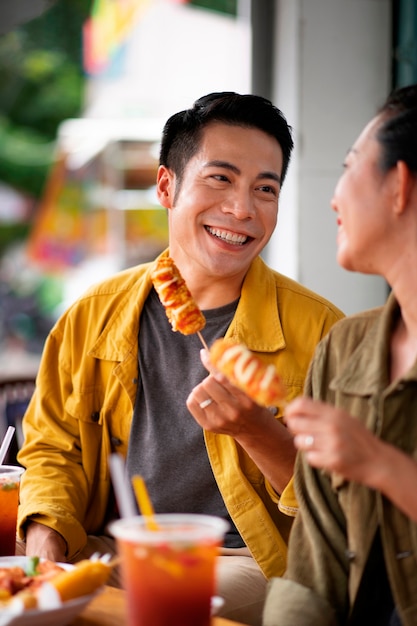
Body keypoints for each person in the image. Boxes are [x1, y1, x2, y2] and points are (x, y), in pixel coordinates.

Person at [16, 92, 343, 626]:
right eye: (220, 178)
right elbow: (54, 449)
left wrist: (256, 429)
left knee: (156, 613)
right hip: (109, 547)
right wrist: (45, 550)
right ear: (167, 186)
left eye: (266, 188)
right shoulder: (90, 316)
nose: (242, 209)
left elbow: (342, 505)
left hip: (243, 561)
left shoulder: (324, 332)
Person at [263, 83, 417, 626]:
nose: (332, 197)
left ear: (399, 186)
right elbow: (312, 567)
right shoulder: (346, 347)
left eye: (350, 166)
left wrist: (381, 464)